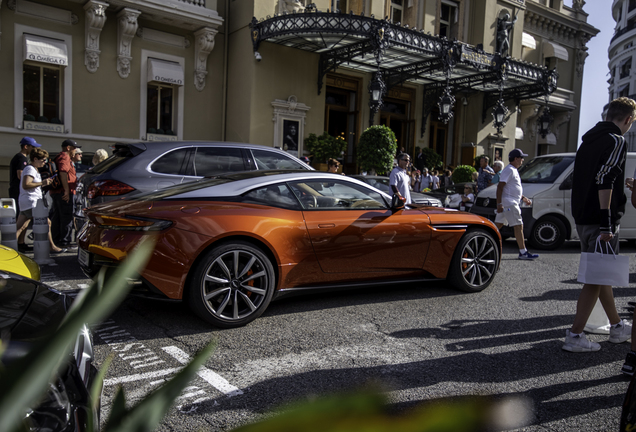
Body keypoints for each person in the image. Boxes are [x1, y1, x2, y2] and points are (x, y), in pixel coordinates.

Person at [563, 97, 636, 354]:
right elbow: (605, 179)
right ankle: (575, 335)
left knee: (601, 273)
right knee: (595, 278)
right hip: (601, 219)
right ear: (628, 119)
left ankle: (616, 327)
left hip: (583, 217)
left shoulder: (588, 141)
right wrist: (607, 223)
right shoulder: (616, 140)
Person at [15, 148, 66, 254]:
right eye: (43, 160)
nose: (45, 162)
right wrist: (42, 183)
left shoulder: (33, 169)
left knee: (20, 226)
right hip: (31, 202)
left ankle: (7, 247)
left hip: (28, 201)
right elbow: (26, 184)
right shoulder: (30, 169)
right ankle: (51, 246)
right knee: (47, 222)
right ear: (35, 159)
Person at [495, 148, 539, 260]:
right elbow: (500, 187)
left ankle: (483, 243)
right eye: (521, 158)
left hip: (509, 202)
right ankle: (523, 252)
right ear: (516, 158)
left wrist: (523, 198)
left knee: (498, 225)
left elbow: (511, 188)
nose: (523, 160)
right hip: (510, 203)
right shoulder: (509, 170)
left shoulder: (512, 170)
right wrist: (499, 203)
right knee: (518, 226)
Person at [10, 137, 41, 252]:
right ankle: (12, 244)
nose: (34, 150)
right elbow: (20, 175)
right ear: (26, 146)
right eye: (33, 147)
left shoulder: (20, 158)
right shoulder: (21, 158)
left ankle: (20, 243)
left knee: (24, 220)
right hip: (20, 192)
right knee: (22, 221)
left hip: (20, 191)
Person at [50, 139, 80, 248]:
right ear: (68, 148)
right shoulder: (65, 157)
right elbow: (63, 173)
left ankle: (57, 240)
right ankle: (64, 241)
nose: (75, 150)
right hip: (64, 192)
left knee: (58, 217)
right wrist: (67, 190)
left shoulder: (60, 156)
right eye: (74, 148)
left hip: (59, 192)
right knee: (66, 217)